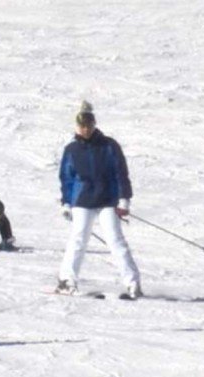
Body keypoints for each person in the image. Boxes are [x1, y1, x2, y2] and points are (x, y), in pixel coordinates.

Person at [56, 101, 143, 298]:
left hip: (107, 199)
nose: (85, 130)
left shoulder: (109, 145)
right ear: (76, 127)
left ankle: (132, 282)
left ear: (94, 124)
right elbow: (67, 178)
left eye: (88, 125)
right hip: (82, 200)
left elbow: (121, 173)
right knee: (78, 239)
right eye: (82, 126)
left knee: (115, 240)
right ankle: (67, 280)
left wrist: (124, 199)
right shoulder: (72, 149)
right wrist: (66, 202)